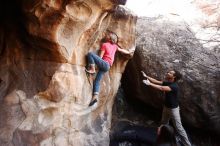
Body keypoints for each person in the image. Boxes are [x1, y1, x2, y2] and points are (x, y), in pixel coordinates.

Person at [141, 70, 191, 146]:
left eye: (170, 73)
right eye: (169, 72)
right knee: (163, 123)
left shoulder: (174, 86)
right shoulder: (168, 83)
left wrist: (149, 84)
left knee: (179, 128)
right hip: (166, 107)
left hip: (174, 109)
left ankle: (187, 144)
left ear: (174, 77)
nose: (168, 73)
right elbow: (157, 81)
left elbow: (161, 88)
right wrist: (146, 76)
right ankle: (162, 139)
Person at [86, 31, 133, 106]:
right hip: (107, 67)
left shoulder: (104, 45)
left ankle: (92, 69)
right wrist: (128, 52)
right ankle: (95, 97)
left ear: (109, 39)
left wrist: (94, 64)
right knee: (97, 81)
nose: (106, 36)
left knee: (90, 54)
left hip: (104, 64)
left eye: (108, 36)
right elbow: (122, 50)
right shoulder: (115, 46)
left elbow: (100, 57)